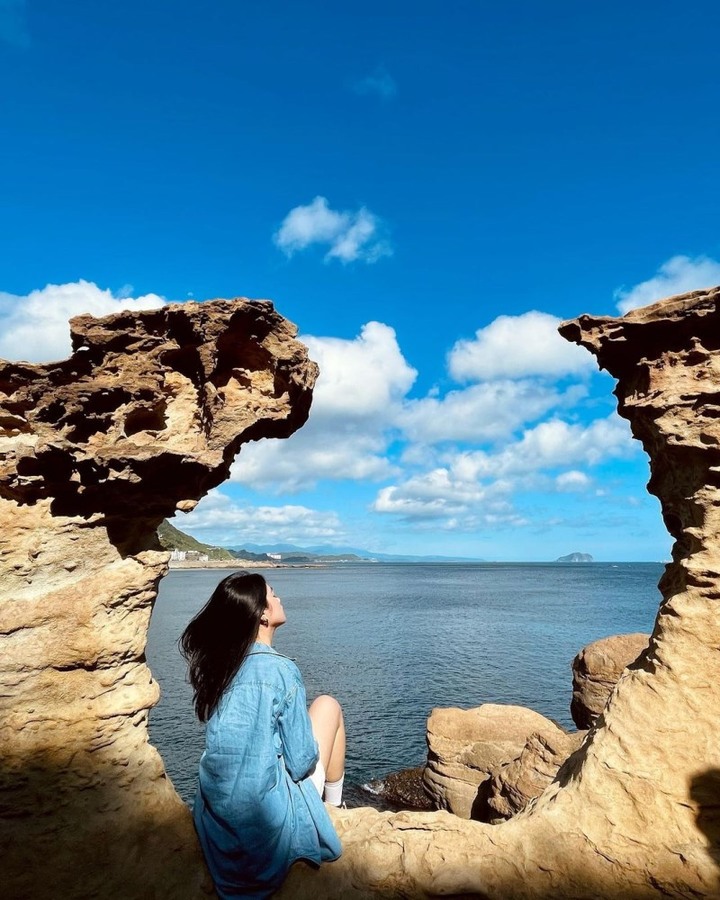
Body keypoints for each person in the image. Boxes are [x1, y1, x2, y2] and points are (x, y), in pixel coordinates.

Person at [179, 572, 345, 899]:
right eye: (274, 593)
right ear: (263, 614)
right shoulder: (281, 671)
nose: (280, 598)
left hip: (220, 824)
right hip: (263, 829)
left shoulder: (223, 667)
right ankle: (336, 806)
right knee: (328, 706)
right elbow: (300, 761)